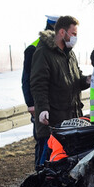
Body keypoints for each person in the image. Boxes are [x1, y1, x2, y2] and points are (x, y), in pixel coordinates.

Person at [30, 15, 91, 167]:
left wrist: (86, 80)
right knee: (47, 164)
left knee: (66, 163)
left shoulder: (70, 54)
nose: (75, 38)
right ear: (62, 32)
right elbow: (39, 84)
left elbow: (75, 80)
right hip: (53, 121)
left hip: (72, 119)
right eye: (74, 34)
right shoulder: (43, 52)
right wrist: (43, 109)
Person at [23, 15, 58, 170]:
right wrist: (31, 104)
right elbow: (28, 79)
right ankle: (39, 177)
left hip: (57, 104)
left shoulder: (61, 46)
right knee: (43, 141)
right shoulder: (34, 48)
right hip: (42, 104)